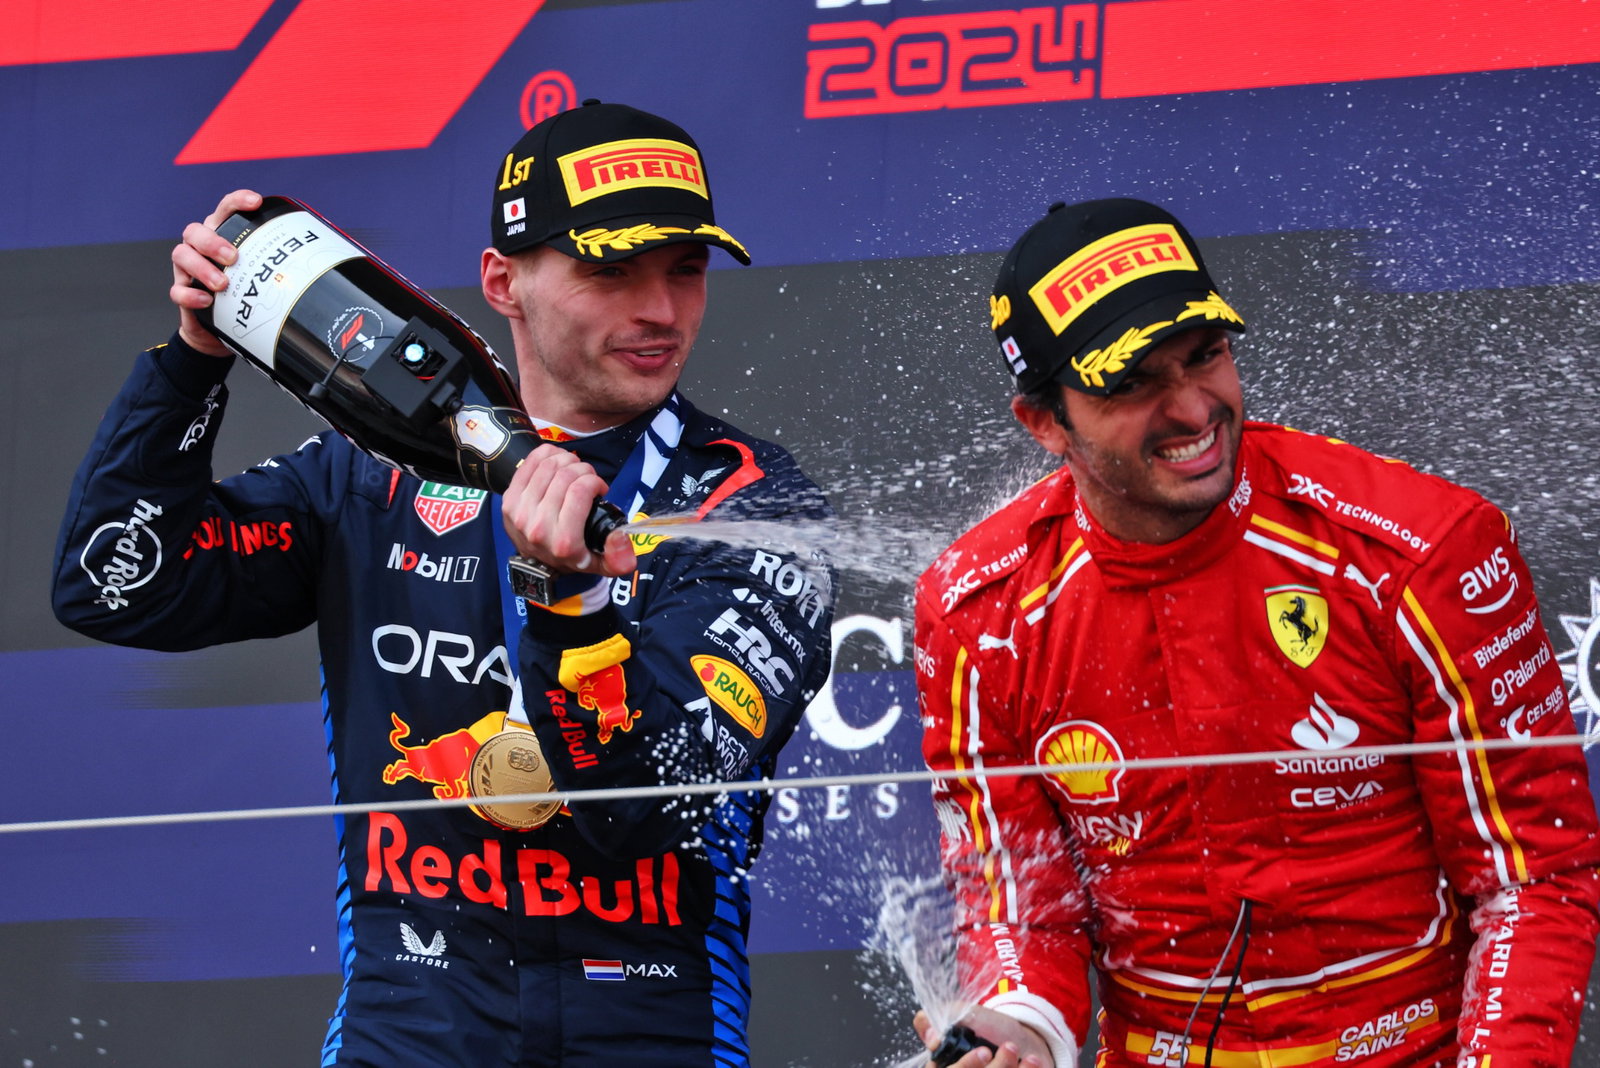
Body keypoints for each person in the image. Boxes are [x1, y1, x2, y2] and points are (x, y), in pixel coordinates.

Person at [51, 101, 834, 1067]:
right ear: (503, 283)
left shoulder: (748, 504)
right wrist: (190, 364)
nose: (661, 311)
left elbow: (655, 809)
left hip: (646, 1037)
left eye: (686, 270)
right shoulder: (367, 477)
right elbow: (115, 585)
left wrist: (573, 605)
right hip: (406, 1037)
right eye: (611, 271)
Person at [910, 197, 1600, 1067]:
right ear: (1045, 422)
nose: (1194, 409)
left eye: (1207, 356)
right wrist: (1012, 1026)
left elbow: (1534, 881)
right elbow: (1020, 908)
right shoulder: (976, 610)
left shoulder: (1422, 551)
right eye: (1132, 382)